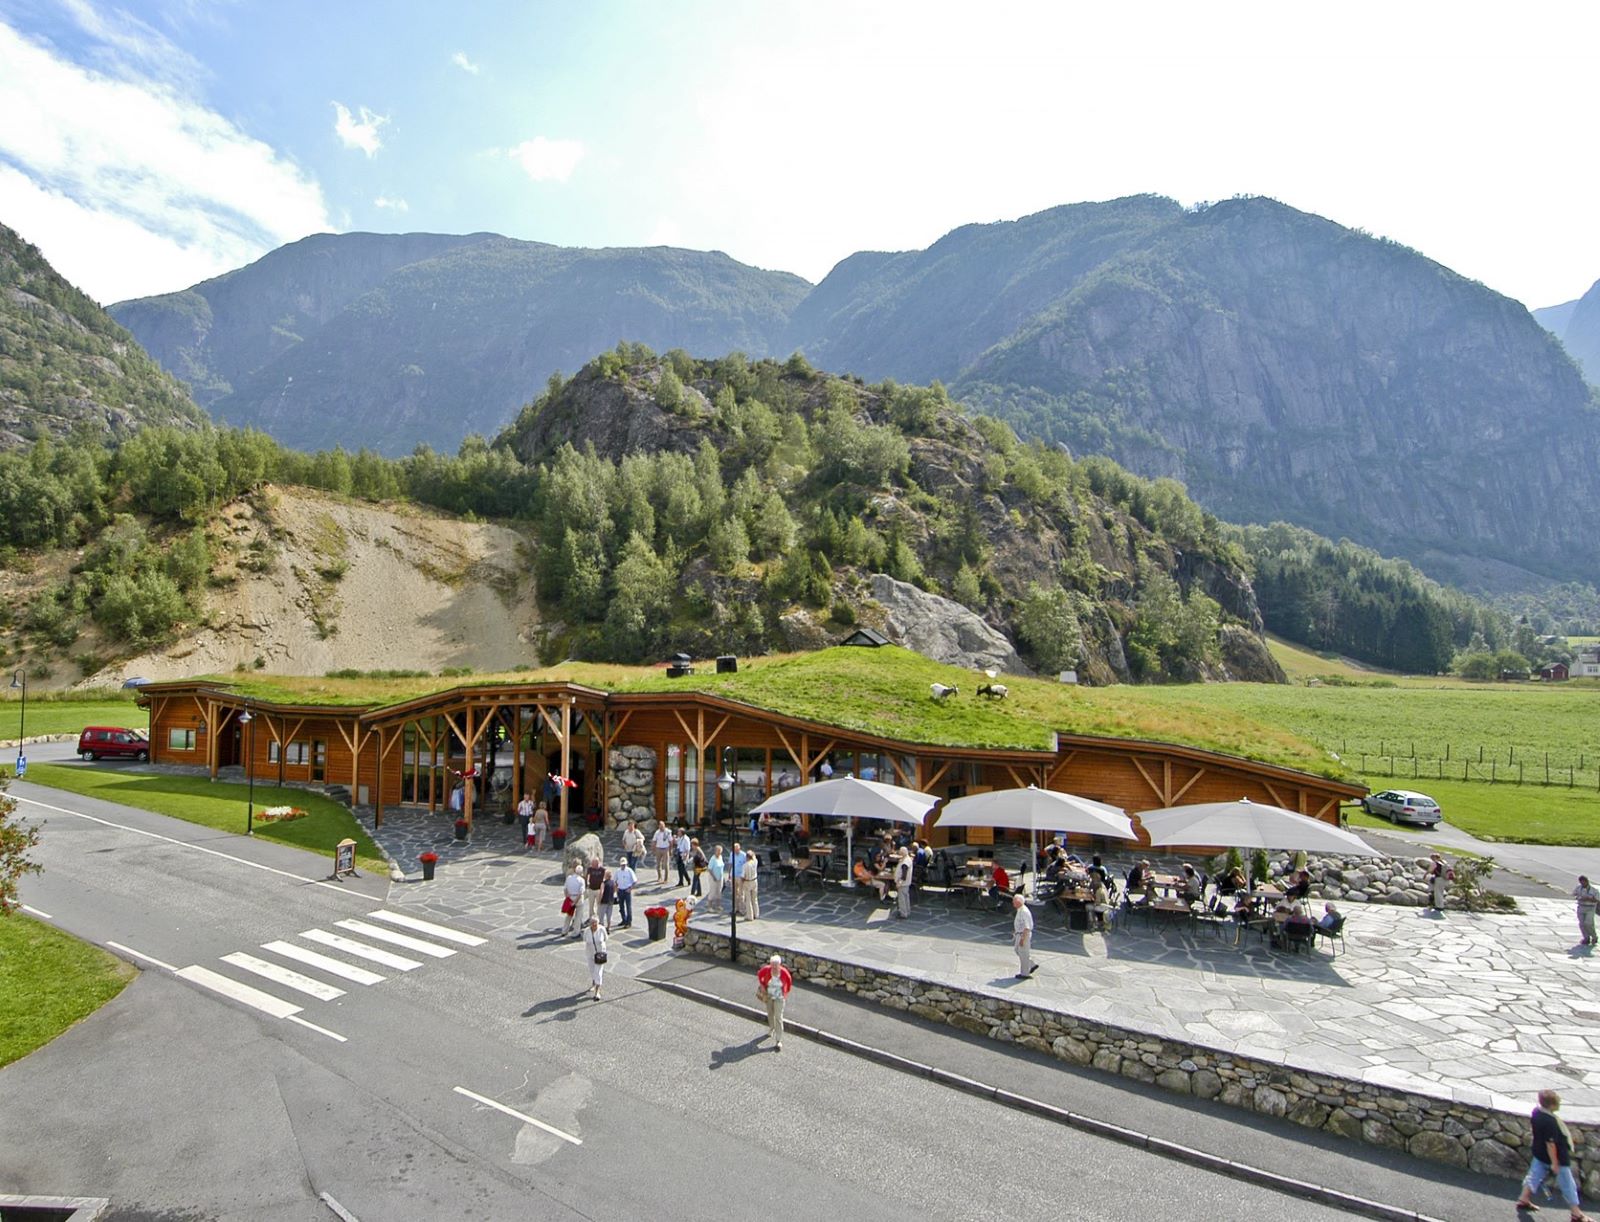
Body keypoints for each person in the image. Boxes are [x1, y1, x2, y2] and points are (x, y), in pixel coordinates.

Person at [1514, 1089, 1591, 1220]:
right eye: (1557, 1102)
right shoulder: (1550, 1121)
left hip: (1539, 1152)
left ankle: (1524, 1198)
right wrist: (1555, 1163)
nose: (1560, 1103)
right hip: (1556, 1158)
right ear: (1552, 1105)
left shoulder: (1536, 1112)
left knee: (1534, 1175)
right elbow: (1551, 1144)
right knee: (1567, 1184)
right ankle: (1576, 1213)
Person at [756, 953, 793, 1051]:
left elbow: (789, 982)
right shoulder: (767, 969)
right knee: (770, 1014)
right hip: (769, 996)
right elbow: (759, 974)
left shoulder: (784, 973)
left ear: (779, 964)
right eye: (772, 964)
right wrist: (763, 986)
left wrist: (785, 993)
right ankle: (771, 1028)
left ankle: (778, 1040)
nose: (774, 967)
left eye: (776, 965)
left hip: (779, 998)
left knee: (778, 1017)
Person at [581, 915, 608, 1000]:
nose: (594, 925)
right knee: (592, 970)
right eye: (592, 923)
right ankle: (594, 982)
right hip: (590, 953)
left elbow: (605, 938)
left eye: (595, 923)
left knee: (598, 972)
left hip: (600, 954)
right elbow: (585, 940)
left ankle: (597, 991)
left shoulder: (602, 929)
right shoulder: (587, 931)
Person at [1012, 893, 1036, 978]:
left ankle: (1025, 973)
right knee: (1017, 950)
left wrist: (1022, 939)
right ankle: (1031, 964)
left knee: (1023, 953)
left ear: (1018, 902)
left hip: (1023, 935)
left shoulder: (1024, 911)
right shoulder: (1020, 909)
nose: (1013, 903)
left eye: (1014, 901)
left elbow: (1027, 927)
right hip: (1019, 934)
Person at [561, 865, 585, 937]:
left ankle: (564, 930)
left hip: (570, 897)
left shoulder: (569, 878)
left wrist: (568, 898)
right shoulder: (581, 880)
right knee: (578, 916)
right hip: (578, 899)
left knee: (569, 915)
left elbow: (565, 889)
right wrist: (575, 901)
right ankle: (576, 932)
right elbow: (580, 892)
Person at [1574, 875, 1598, 946]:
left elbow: (1597, 899)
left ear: (1587, 881)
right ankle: (1586, 938)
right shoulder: (1578, 888)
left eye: (1584, 882)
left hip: (1590, 907)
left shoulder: (1594, 890)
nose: (1583, 884)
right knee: (1582, 924)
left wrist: (1589, 899)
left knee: (1588, 923)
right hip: (1581, 906)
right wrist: (1579, 897)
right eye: (1581, 882)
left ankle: (1594, 936)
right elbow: (1574, 895)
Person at [614, 856, 637, 928]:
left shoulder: (629, 871)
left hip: (627, 890)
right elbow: (615, 881)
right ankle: (624, 919)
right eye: (622, 865)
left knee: (628, 907)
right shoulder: (617, 871)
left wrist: (630, 889)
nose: (623, 866)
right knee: (621, 907)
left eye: (624, 865)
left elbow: (635, 881)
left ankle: (629, 922)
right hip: (620, 890)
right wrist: (616, 889)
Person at [702, 845, 726, 912]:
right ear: (715, 851)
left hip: (720, 877)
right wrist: (714, 877)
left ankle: (718, 905)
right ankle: (709, 906)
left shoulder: (720, 857)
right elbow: (709, 869)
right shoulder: (713, 859)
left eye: (720, 851)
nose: (719, 853)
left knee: (719, 891)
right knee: (712, 892)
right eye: (718, 851)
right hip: (713, 878)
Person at [584, 856, 606, 923]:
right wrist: (586, 883)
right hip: (591, 889)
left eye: (593, 864)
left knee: (599, 905)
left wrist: (603, 889)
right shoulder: (590, 869)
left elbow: (604, 880)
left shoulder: (602, 870)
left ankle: (599, 918)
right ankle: (591, 917)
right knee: (591, 905)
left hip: (598, 890)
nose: (592, 865)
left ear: (597, 863)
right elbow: (587, 876)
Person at [894, 849, 913, 919]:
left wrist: (900, 882)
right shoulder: (907, 859)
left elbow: (904, 873)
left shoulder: (905, 862)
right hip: (906, 883)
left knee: (902, 899)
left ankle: (903, 914)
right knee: (906, 897)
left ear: (903, 853)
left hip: (903, 883)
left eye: (900, 853)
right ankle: (907, 911)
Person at [730, 843, 747, 916]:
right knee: (734, 893)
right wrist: (729, 875)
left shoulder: (743, 855)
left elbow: (746, 866)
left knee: (741, 893)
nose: (736, 851)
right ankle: (735, 908)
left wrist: (744, 876)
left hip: (740, 876)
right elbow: (730, 864)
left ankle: (742, 909)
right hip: (733, 875)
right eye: (735, 849)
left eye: (737, 849)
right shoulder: (732, 854)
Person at [742, 849, 760, 920]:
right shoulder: (755, 862)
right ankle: (756, 913)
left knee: (748, 899)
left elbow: (743, 876)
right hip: (754, 881)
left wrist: (742, 883)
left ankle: (750, 916)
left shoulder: (745, 865)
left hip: (747, 881)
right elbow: (754, 857)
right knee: (755, 898)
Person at [598, 867, 617, 932]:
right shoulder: (613, 882)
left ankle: (601, 928)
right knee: (609, 915)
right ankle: (608, 928)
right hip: (611, 901)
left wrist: (599, 900)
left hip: (604, 901)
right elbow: (615, 890)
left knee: (601, 915)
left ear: (605, 876)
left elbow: (601, 892)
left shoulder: (603, 883)